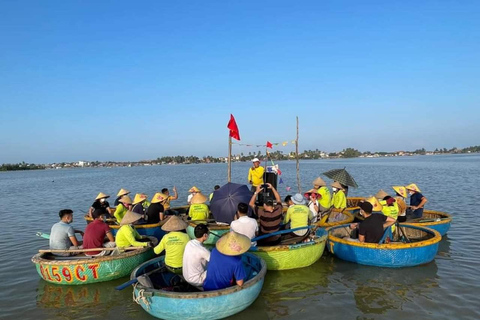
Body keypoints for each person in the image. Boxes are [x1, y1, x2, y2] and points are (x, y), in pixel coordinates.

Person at [182, 224, 211, 288]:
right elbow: (216, 262)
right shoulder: (203, 250)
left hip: (186, 276)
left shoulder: (189, 243)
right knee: (218, 267)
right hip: (197, 280)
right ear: (205, 235)